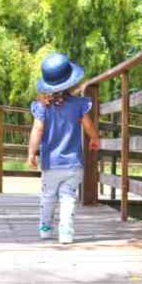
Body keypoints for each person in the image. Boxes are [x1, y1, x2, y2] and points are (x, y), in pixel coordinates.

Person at [26, 53, 100, 244]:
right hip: (73, 164)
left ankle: (45, 229)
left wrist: (31, 153)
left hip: (51, 164)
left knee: (48, 196)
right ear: (71, 83)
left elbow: (37, 130)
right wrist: (94, 138)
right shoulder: (78, 105)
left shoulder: (42, 108)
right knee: (68, 197)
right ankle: (66, 232)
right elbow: (88, 125)